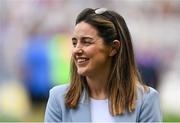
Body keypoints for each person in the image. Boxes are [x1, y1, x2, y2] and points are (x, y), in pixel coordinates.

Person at [44, 8, 162, 122]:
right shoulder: (58, 98)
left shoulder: (146, 100)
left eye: (86, 42)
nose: (76, 50)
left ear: (113, 48)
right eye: (74, 43)